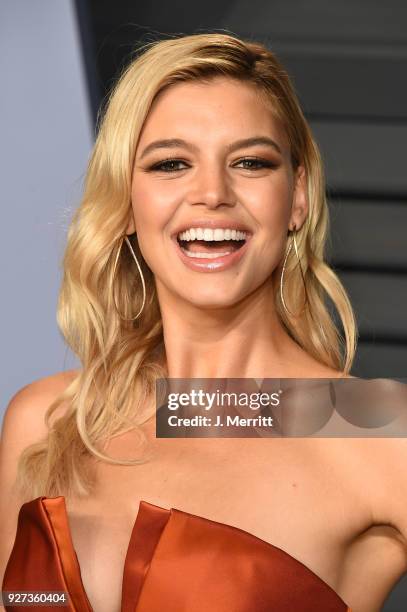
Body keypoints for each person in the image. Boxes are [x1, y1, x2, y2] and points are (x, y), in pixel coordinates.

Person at [1, 32, 406, 612]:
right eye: (171, 163)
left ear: (297, 198)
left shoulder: (375, 429)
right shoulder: (46, 425)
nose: (212, 193)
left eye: (250, 162)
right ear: (126, 203)